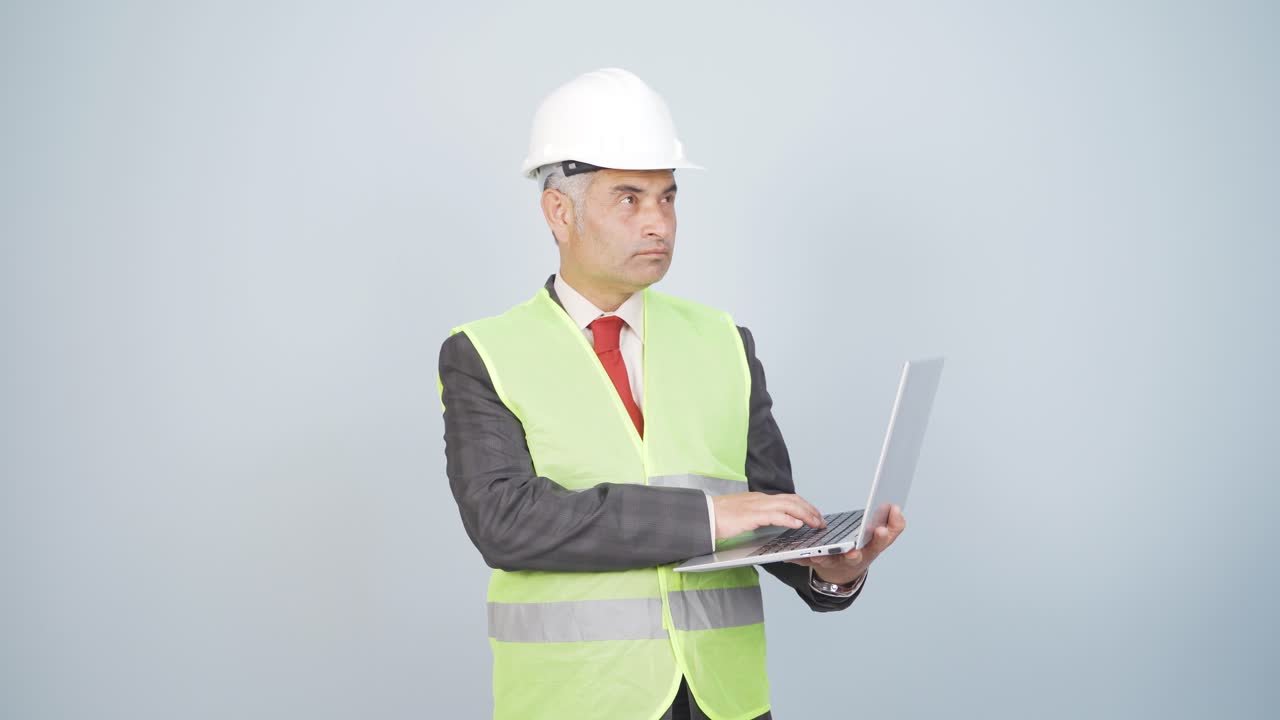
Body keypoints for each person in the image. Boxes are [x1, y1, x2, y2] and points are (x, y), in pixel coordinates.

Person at [439, 68, 907, 720]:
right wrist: (707, 518)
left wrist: (831, 569)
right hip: (577, 703)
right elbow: (507, 523)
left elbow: (768, 519)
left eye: (667, 197)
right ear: (558, 211)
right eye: (629, 198)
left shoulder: (723, 342)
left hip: (726, 703)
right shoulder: (484, 355)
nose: (658, 221)